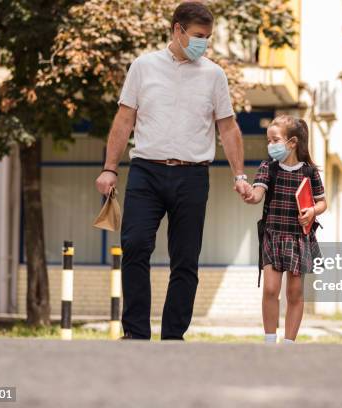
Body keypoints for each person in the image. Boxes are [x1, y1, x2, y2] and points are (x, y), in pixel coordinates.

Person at [95, 2, 251, 340]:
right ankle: (136, 334)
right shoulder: (143, 67)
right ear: (177, 29)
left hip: (192, 176)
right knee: (135, 246)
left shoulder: (213, 74)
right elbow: (124, 120)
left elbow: (228, 128)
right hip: (146, 173)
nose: (203, 44)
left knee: (185, 259)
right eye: (198, 36)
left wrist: (239, 175)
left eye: (208, 38)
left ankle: (172, 337)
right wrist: (110, 168)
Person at [243, 115, 327, 344]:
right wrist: (249, 194)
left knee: (295, 293)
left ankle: (289, 343)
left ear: (292, 143)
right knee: (270, 289)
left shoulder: (310, 173)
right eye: (268, 141)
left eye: (275, 140)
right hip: (272, 235)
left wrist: (313, 211)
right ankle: (270, 340)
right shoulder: (267, 169)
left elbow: (322, 202)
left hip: (299, 238)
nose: (270, 145)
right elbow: (257, 194)